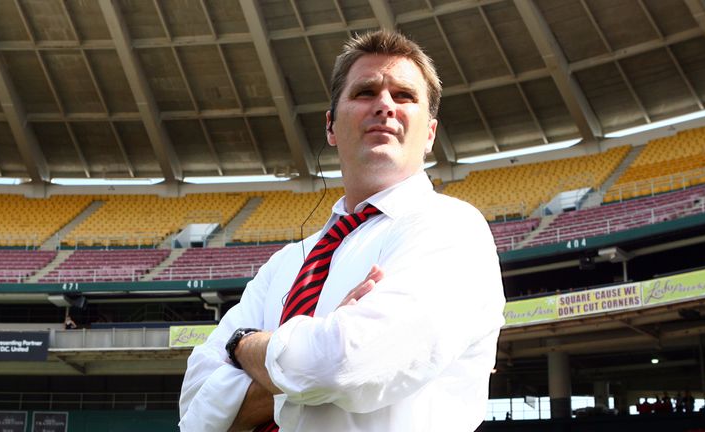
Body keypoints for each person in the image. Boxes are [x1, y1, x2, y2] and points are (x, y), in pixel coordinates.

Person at [179, 30, 505, 432]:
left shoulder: (452, 229)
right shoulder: (281, 266)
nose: (385, 105)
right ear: (330, 127)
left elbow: (345, 365)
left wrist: (243, 344)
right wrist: (310, 353)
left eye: (404, 96)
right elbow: (194, 405)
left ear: (431, 135)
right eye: (365, 92)